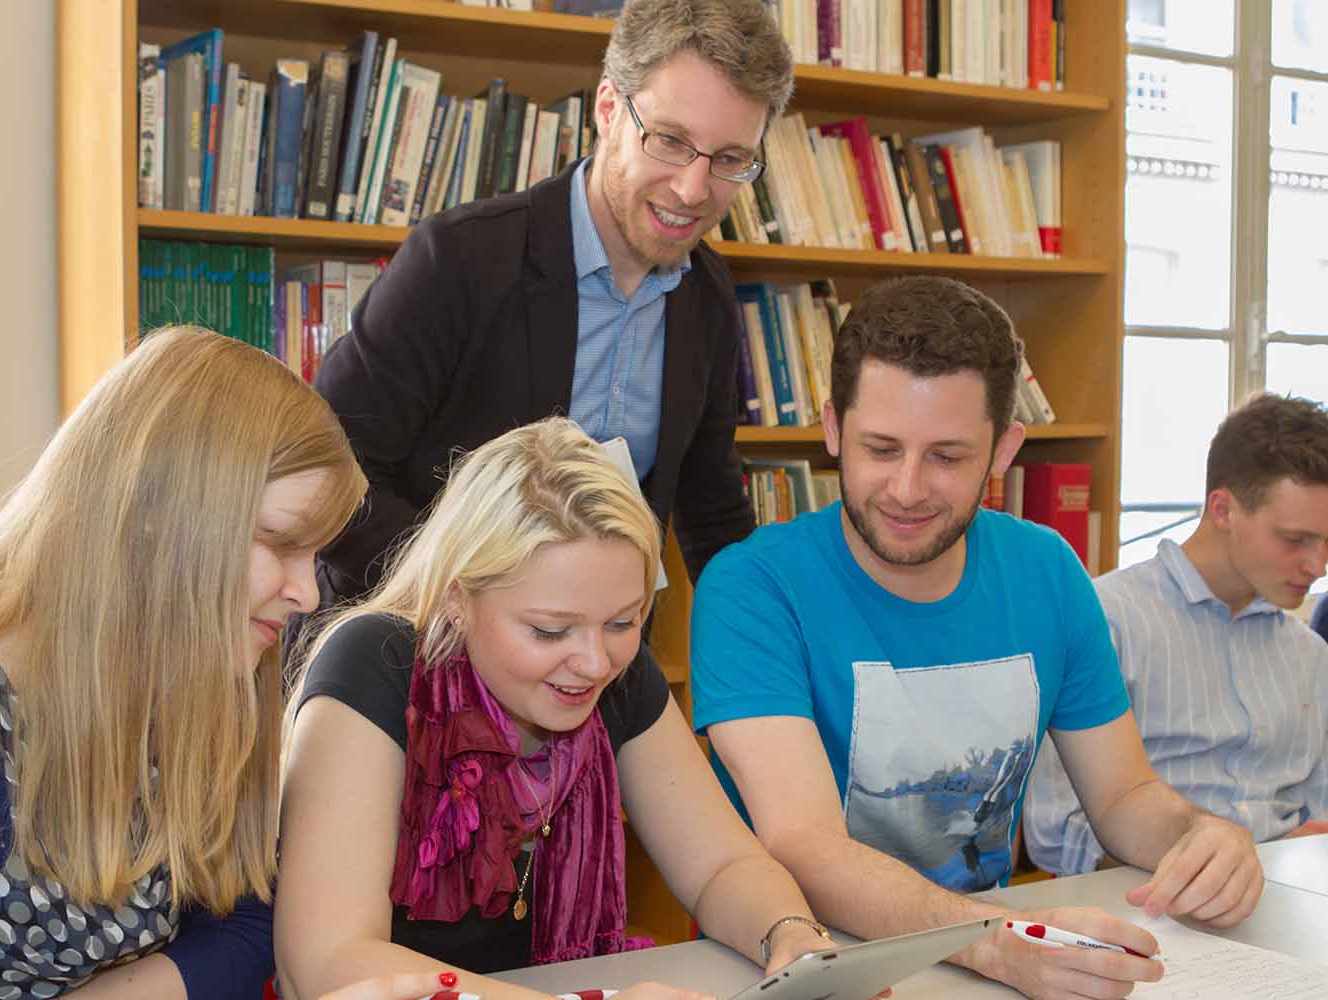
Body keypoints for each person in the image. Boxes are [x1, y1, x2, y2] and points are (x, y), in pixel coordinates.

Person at [687, 276, 1264, 1000]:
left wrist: (1204, 837)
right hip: (804, 969)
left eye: (948, 457)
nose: (906, 488)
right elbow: (805, 848)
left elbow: (1123, 798)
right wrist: (991, 941)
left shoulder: (1047, 568)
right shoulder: (752, 586)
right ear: (833, 429)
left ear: (1004, 448)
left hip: (988, 958)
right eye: (881, 447)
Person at [0, 326, 418, 1000]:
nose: (307, 593)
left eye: (314, 557)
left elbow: (249, 923)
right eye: (281, 543)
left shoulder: (210, 679)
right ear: (151, 519)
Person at [274, 418, 835, 1000]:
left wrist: (789, 935)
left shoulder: (621, 674)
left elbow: (722, 867)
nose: (594, 663)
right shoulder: (376, 665)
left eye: (623, 622)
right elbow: (327, 961)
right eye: (549, 631)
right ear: (458, 599)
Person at [307, 0, 795, 607]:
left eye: (729, 160)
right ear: (609, 108)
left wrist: (773, 638)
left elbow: (711, 508)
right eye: (669, 140)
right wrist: (476, 606)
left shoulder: (709, 299)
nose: (693, 190)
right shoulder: (457, 259)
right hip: (407, 638)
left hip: (586, 665)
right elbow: (328, 472)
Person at [1024, 392, 1328, 875]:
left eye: (1327, 541)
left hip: (1285, 896)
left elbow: (1317, 814)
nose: (1317, 565)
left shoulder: (1310, 654)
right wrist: (1192, 874)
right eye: (1295, 540)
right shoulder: (1104, 621)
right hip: (1149, 898)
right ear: (1223, 509)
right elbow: (1055, 829)